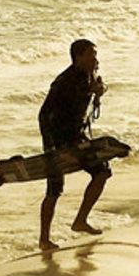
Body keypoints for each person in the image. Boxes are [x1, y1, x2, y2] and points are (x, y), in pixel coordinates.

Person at [38, 39, 109, 250]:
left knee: (102, 172)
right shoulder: (64, 82)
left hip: (77, 137)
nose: (95, 59)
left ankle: (80, 221)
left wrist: (99, 89)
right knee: (54, 189)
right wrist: (52, 148)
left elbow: (98, 87)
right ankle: (44, 239)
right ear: (78, 57)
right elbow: (43, 116)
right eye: (91, 55)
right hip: (59, 140)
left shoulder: (89, 75)